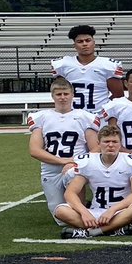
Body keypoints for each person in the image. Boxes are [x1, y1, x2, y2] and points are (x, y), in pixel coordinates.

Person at [55, 124, 132, 239]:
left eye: (114, 142)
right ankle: (113, 229)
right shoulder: (88, 161)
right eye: (106, 141)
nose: (110, 145)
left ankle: (92, 231)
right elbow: (70, 193)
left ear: (120, 144)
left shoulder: (131, 161)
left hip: (121, 212)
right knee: (60, 210)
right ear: (98, 143)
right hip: (96, 211)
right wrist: (84, 212)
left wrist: (113, 210)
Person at [29, 77, 97, 223]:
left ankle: (85, 212)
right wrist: (63, 161)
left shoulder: (84, 117)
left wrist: (76, 163)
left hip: (76, 167)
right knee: (60, 217)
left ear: (72, 95)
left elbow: (96, 148)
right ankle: (88, 211)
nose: (63, 98)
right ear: (52, 96)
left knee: (75, 210)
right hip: (50, 169)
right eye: (59, 94)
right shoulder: (42, 117)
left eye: (66, 94)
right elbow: (34, 150)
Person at [51, 24, 124, 115]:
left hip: (100, 117)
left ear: (94, 43)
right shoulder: (64, 64)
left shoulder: (107, 65)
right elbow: (60, 91)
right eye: (80, 41)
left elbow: (118, 96)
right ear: (74, 45)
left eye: (88, 40)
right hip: (73, 116)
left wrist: (105, 109)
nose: (85, 44)